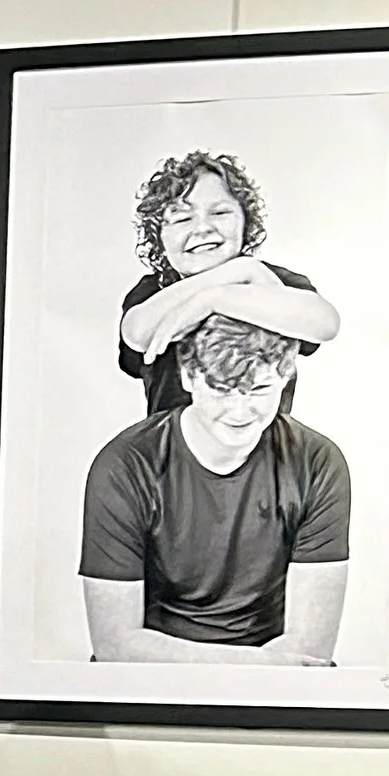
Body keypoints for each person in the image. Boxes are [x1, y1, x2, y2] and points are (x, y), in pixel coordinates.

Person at [80, 316, 350, 663]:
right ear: (188, 377)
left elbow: (311, 648)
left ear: (286, 377)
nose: (239, 411)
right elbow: (115, 646)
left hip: (275, 678)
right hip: (155, 674)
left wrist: (264, 671)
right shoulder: (125, 464)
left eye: (259, 389)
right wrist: (257, 667)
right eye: (221, 390)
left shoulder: (317, 462)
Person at [117, 151, 338, 417]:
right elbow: (138, 334)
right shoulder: (155, 290)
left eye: (220, 212)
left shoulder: (277, 282)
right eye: (182, 218)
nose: (202, 228)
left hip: (263, 441)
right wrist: (237, 273)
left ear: (246, 222)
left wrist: (216, 299)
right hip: (175, 442)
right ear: (158, 238)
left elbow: (326, 324)